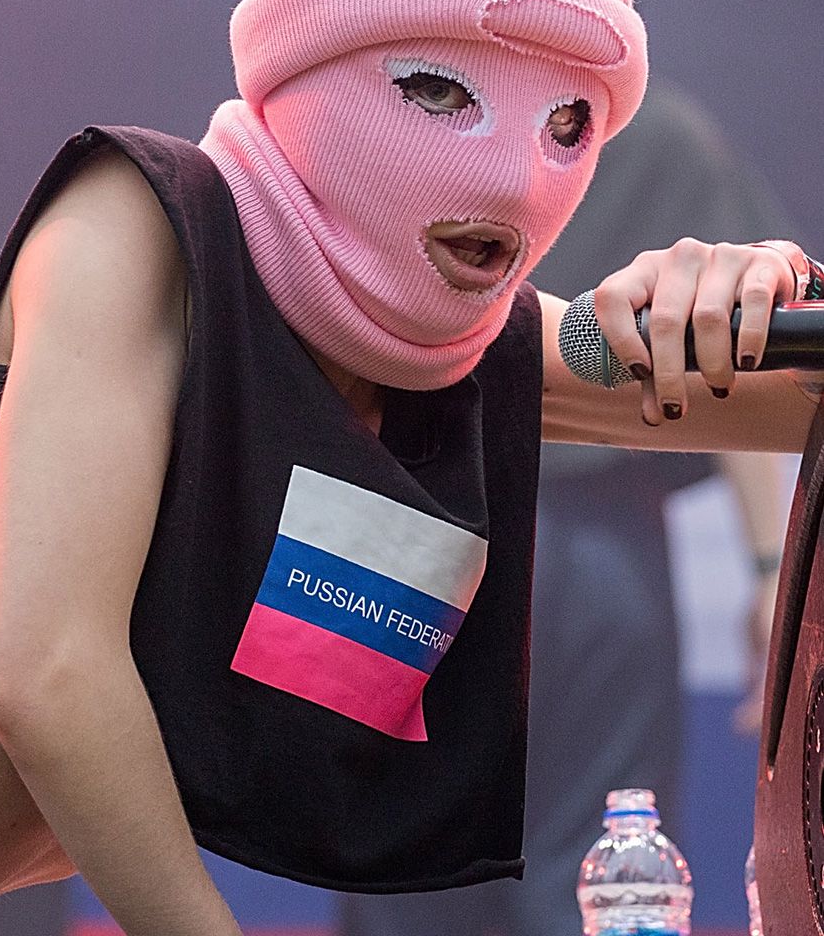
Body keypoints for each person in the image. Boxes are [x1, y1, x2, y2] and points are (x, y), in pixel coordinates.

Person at [0, 0, 819, 936]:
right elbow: (43, 670)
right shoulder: (140, 232)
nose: (513, 176)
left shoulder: (466, 354)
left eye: (567, 122)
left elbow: (779, 403)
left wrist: (765, 297)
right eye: (434, 88)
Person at [337, 78, 793, 936]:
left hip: (418, 526)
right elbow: (735, 356)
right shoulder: (662, 133)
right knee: (605, 871)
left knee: (407, 871)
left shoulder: (391, 124)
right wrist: (768, 570)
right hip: (596, 555)